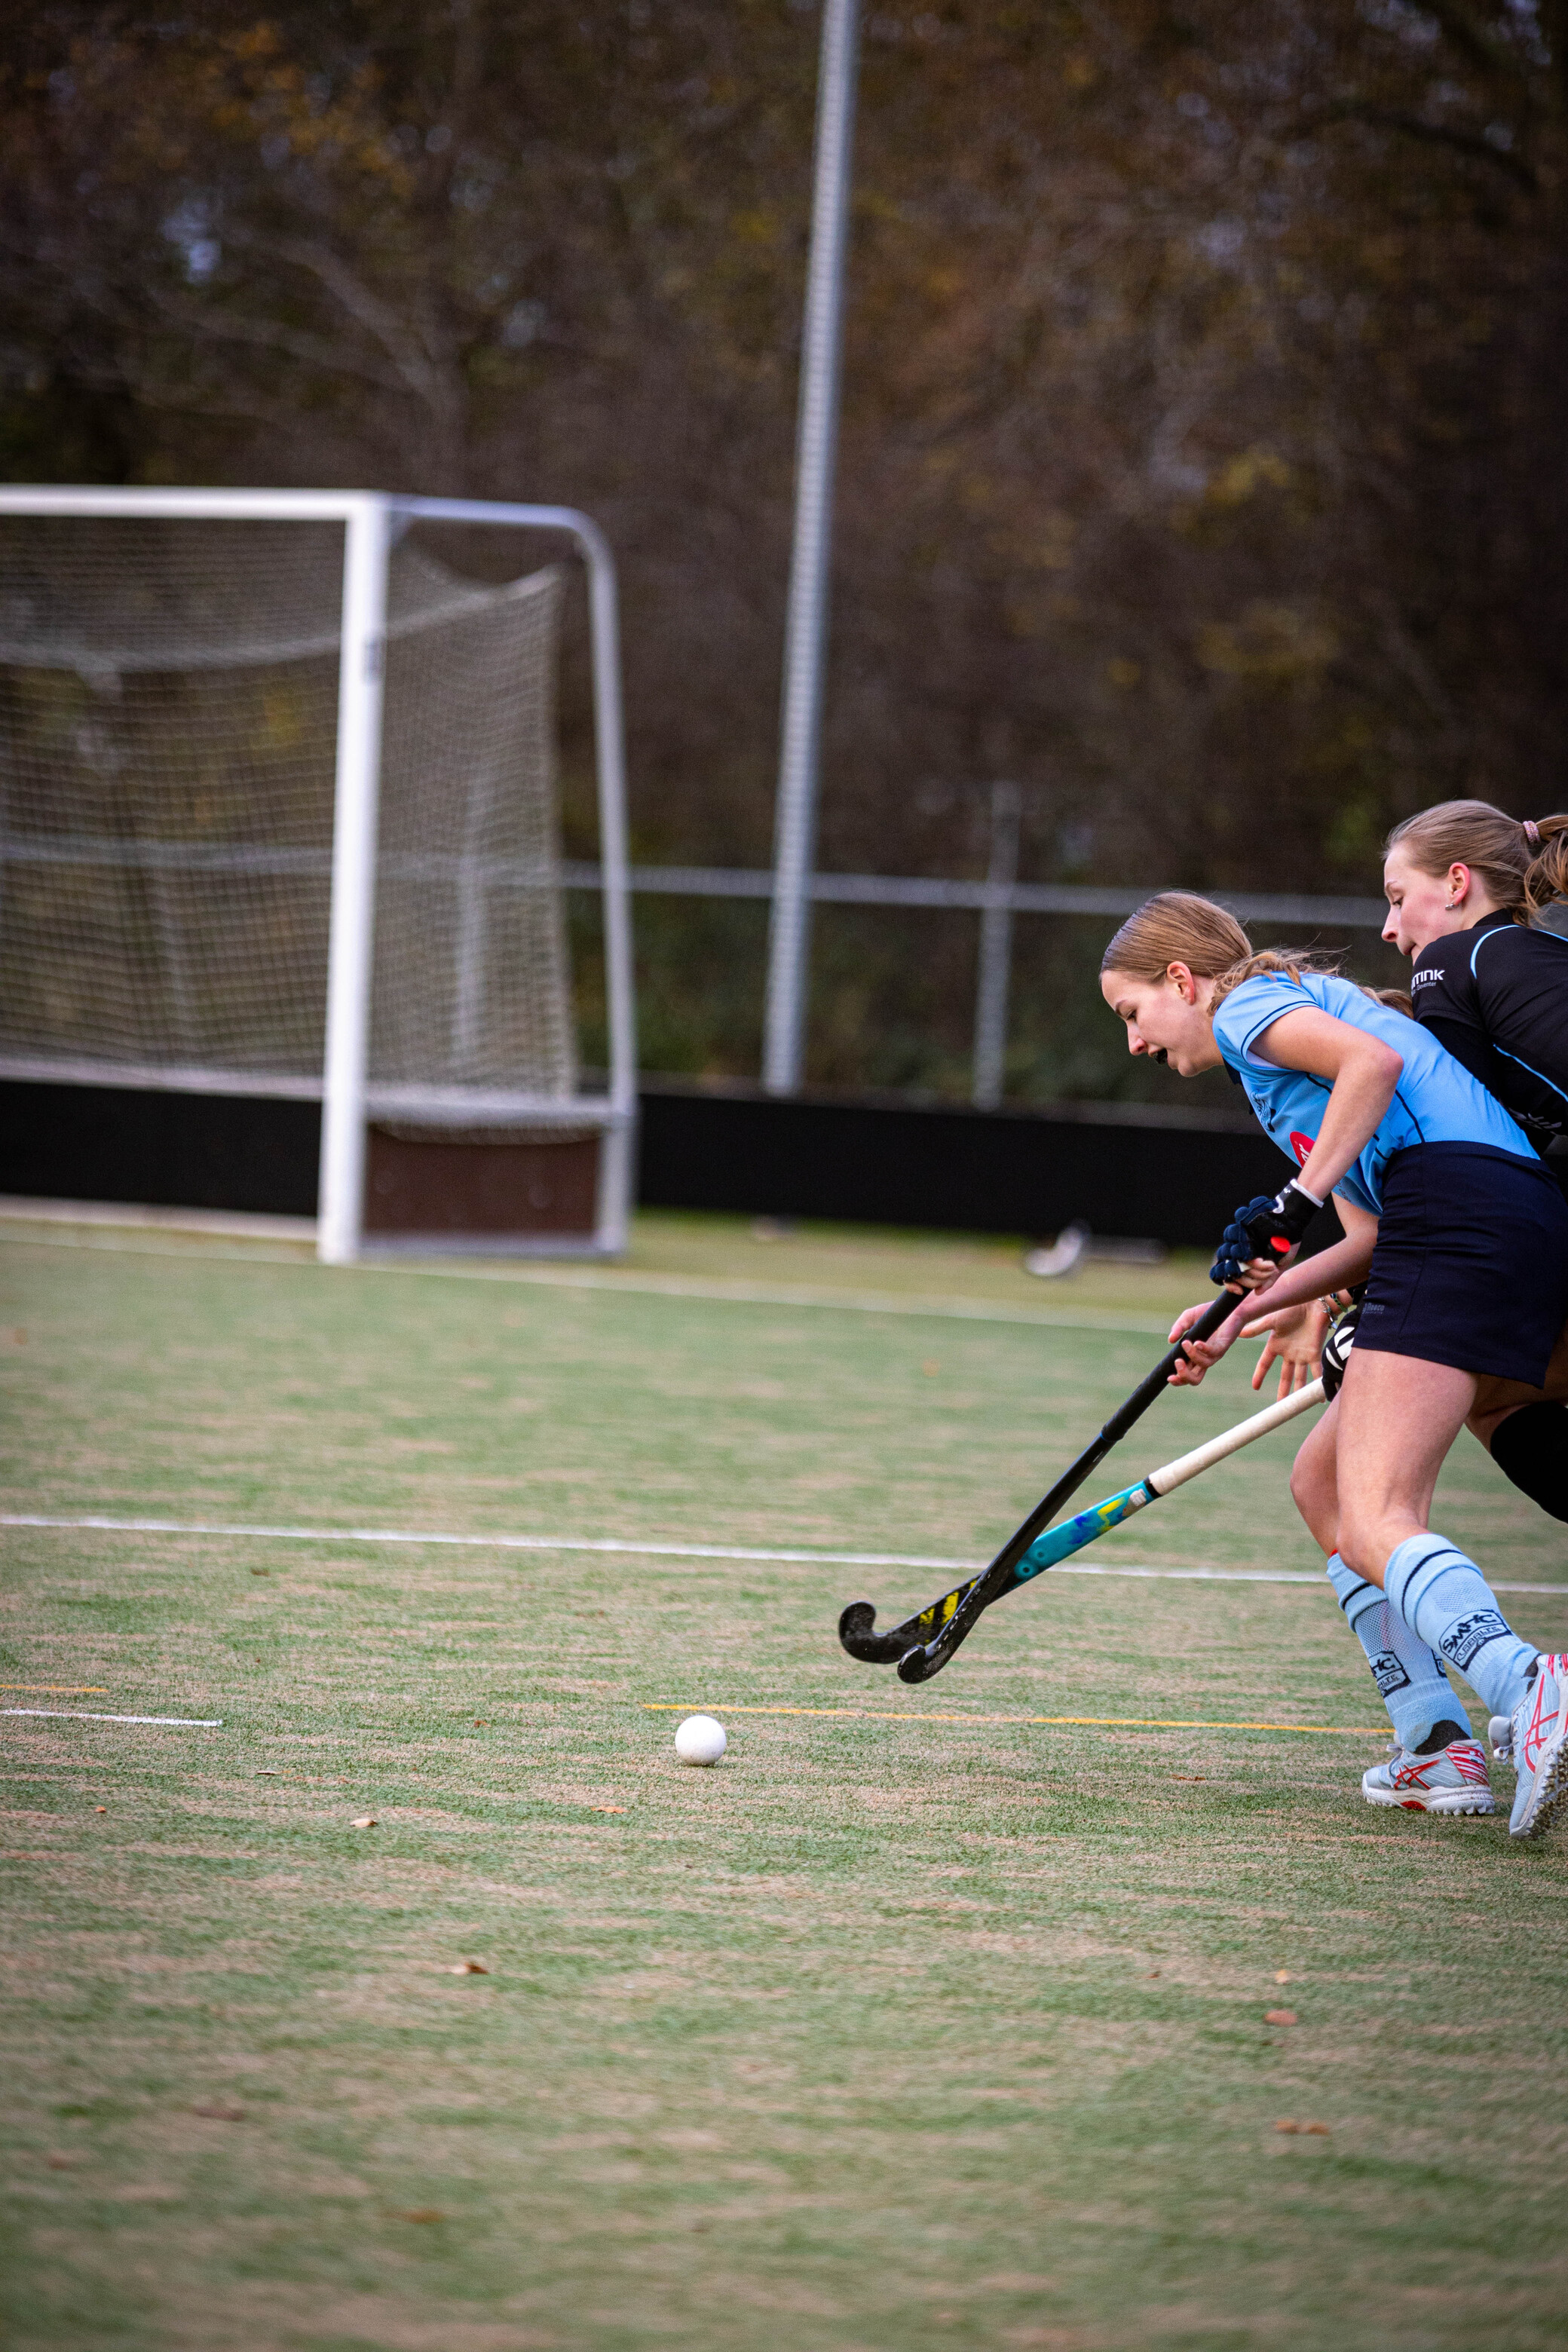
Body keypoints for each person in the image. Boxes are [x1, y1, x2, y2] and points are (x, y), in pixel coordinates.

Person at [1098, 892, 1568, 1838]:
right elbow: (1367, 1234)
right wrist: (1239, 1310)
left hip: (1462, 1212)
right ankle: (1433, 1743)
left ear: (1180, 981)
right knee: (1322, 1486)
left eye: (1132, 1013)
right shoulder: (1273, 1077)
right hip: (1477, 1220)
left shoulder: (1247, 1009)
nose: (1136, 1043)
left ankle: (1533, 1684)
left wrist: (1289, 1201)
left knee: (1376, 1511)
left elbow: (1374, 1059)